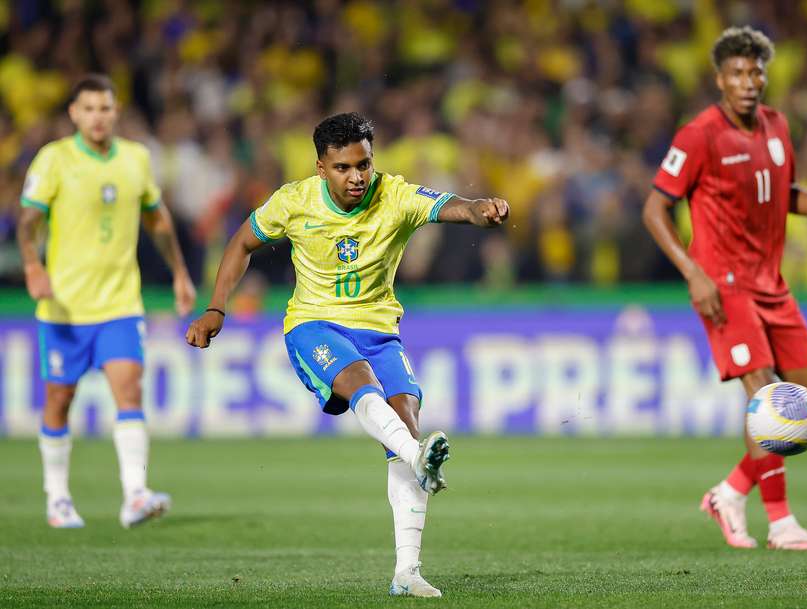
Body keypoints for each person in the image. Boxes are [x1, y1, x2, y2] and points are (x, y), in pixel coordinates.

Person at [186, 112, 509, 597]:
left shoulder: (394, 194)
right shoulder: (294, 201)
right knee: (365, 387)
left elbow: (450, 206)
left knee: (405, 418)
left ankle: (407, 572)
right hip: (314, 324)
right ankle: (420, 459)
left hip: (379, 328)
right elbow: (242, 242)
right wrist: (216, 308)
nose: (357, 176)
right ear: (321, 168)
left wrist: (480, 207)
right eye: (343, 168)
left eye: (364, 164)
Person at [642, 27, 807, 551]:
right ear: (719, 79)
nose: (748, 81)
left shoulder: (776, 126)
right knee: (769, 396)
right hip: (724, 286)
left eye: (756, 71)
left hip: (772, 285)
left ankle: (731, 492)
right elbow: (655, 209)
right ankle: (782, 523)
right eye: (737, 73)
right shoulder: (699, 134)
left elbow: (779, 191)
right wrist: (694, 273)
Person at [17, 74, 196, 529]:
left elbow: (157, 219)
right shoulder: (54, 159)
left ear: (116, 112)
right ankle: (57, 497)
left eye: (105, 108)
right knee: (60, 399)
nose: (98, 117)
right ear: (74, 114)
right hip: (65, 307)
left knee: (129, 389)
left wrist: (178, 273)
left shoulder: (136, 158)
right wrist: (34, 267)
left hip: (120, 303)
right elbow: (27, 222)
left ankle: (135, 494)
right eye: (89, 109)